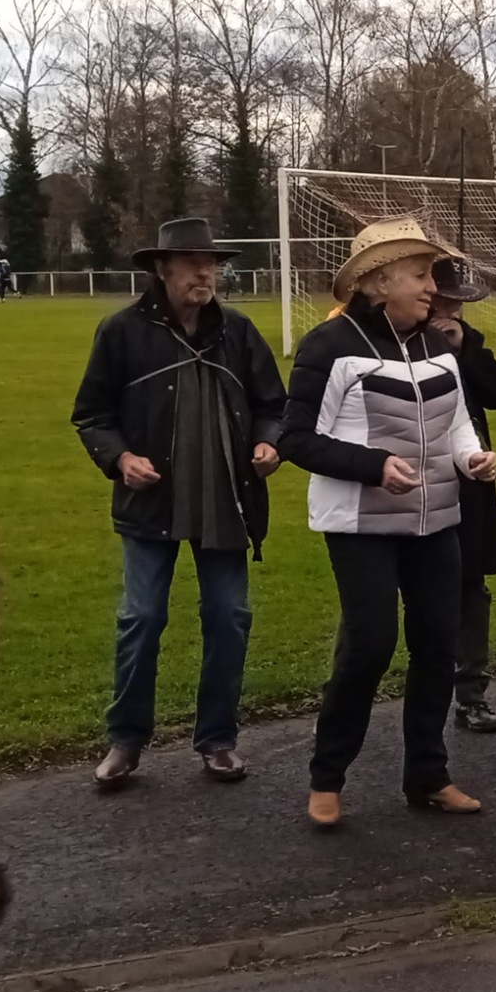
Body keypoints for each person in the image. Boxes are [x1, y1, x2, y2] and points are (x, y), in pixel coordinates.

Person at [279, 217, 496, 827]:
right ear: (379, 281)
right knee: (370, 645)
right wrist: (373, 466)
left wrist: (473, 458)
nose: (433, 287)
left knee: (437, 646)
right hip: (360, 526)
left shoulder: (438, 346)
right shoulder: (329, 346)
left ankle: (428, 775)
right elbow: (296, 438)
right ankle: (328, 777)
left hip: (436, 522)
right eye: (421, 275)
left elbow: (457, 424)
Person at [71, 218, 287, 788]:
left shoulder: (238, 331)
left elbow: (274, 406)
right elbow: (92, 415)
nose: (205, 274)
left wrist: (269, 442)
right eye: (193, 264)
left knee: (229, 617)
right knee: (141, 618)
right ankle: (126, 741)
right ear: (162, 269)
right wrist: (120, 458)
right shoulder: (120, 331)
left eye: (211, 264)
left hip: (226, 501)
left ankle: (218, 740)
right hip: (151, 505)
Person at [424, 257, 496, 735]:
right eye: (443, 302)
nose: (450, 312)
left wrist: (464, 350)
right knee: (386, 596)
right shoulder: (395, 344)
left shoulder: (468, 342)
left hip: (470, 481)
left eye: (457, 304)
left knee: (471, 588)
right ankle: (358, 697)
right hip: (412, 482)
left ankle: (472, 694)